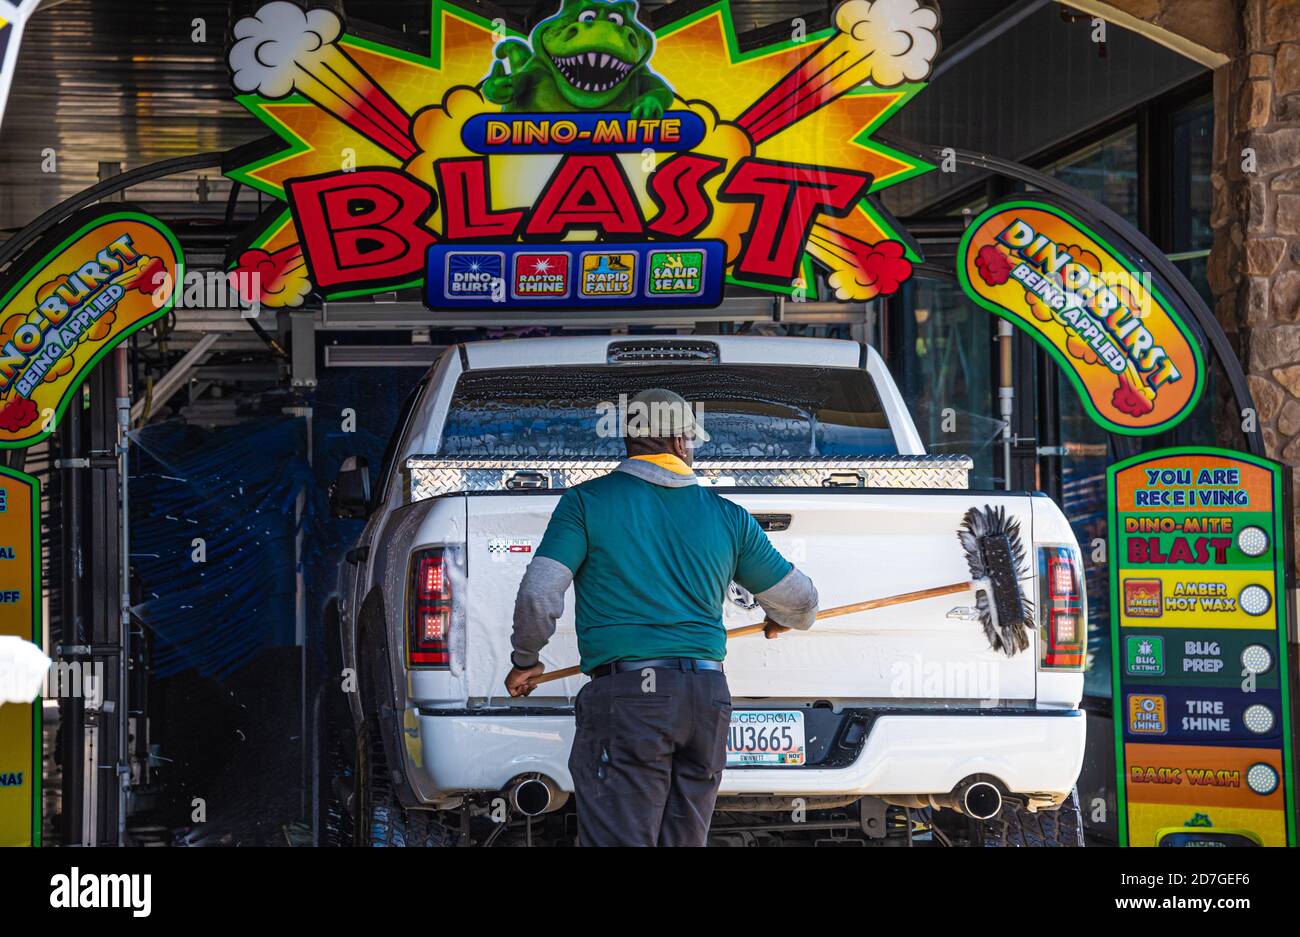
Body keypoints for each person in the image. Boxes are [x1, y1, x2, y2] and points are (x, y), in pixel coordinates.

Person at [505, 388, 818, 846]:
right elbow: (802, 602)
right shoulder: (727, 517)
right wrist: (783, 617)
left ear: (629, 440)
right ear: (679, 443)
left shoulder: (586, 503)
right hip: (706, 699)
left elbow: (538, 593)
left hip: (629, 699)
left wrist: (526, 657)